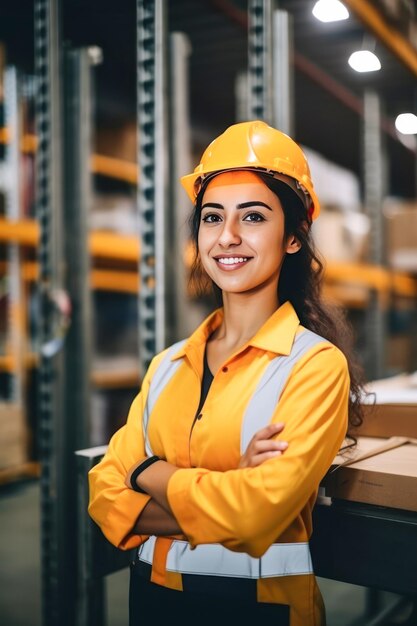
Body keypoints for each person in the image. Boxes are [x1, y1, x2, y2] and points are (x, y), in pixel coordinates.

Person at [88, 120, 364, 626]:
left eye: (253, 216)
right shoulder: (168, 365)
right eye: (212, 217)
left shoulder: (314, 366)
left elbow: (256, 515)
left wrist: (149, 472)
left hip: (260, 610)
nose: (228, 236)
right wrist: (228, 480)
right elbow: (104, 493)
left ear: (293, 239)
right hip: (151, 602)